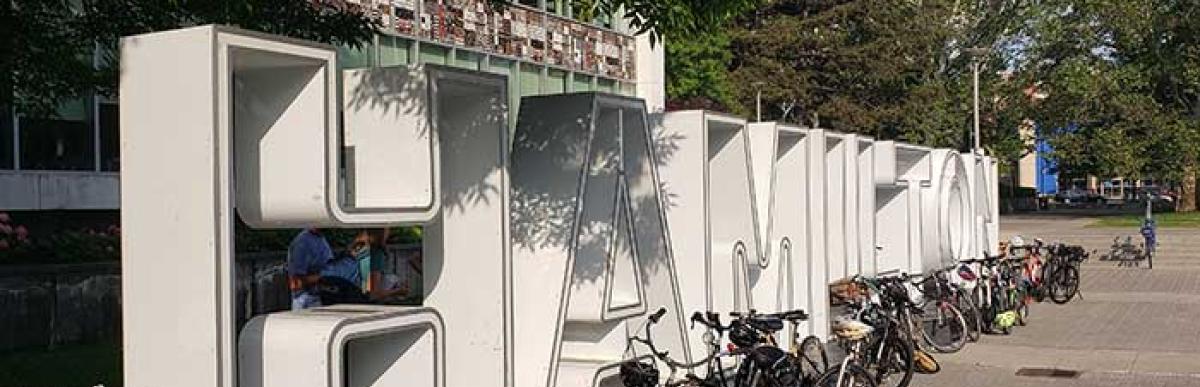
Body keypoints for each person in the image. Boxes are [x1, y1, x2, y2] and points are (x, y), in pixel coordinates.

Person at [287, 228, 332, 310]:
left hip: (320, 296)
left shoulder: (321, 239)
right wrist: (324, 276)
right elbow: (296, 281)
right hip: (305, 299)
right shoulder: (302, 242)